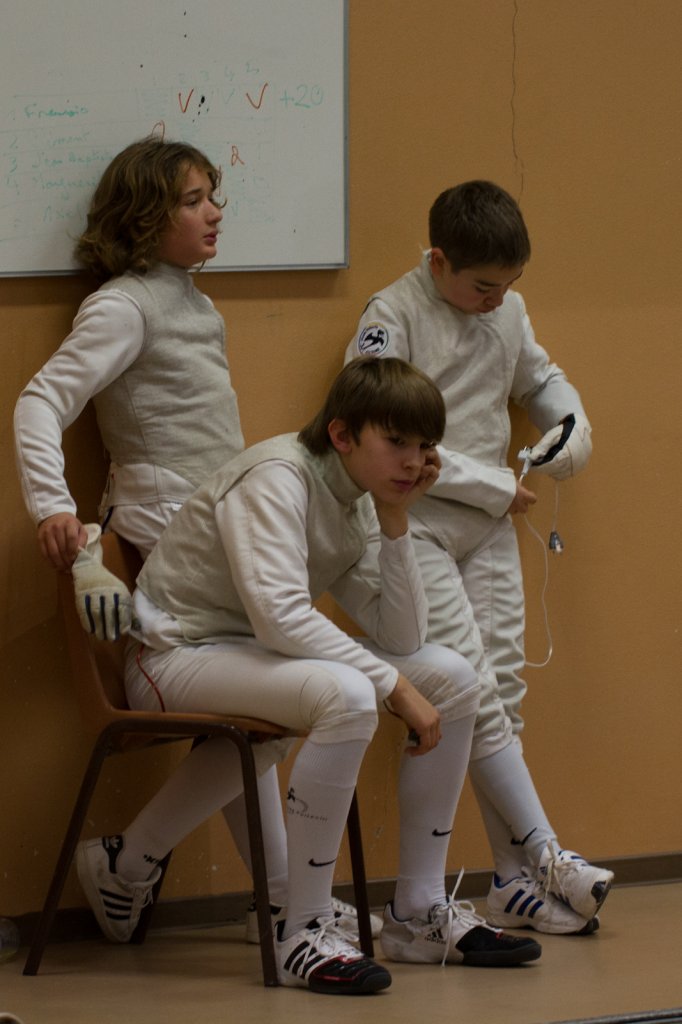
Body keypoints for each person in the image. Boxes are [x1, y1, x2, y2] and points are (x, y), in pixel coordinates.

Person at [74, 358, 542, 993]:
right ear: (342, 434)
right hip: (173, 654)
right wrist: (394, 687)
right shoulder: (277, 477)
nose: (414, 461)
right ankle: (302, 926)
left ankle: (417, 911)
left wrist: (397, 522)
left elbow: (403, 638)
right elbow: (281, 617)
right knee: (346, 693)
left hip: (251, 656)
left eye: (425, 446)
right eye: (396, 442)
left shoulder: (357, 500)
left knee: (452, 674)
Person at [12, 136, 379, 944]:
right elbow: (39, 402)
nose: (214, 212)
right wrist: (53, 509)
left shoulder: (193, 302)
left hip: (218, 533)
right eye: (191, 200)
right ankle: (155, 866)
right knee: (272, 704)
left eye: (214, 195)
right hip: (167, 545)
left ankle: (247, 890)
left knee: (261, 713)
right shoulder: (124, 306)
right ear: (145, 216)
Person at [346, 181, 614, 935]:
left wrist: (570, 427)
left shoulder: (509, 310)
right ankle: (545, 856)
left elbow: (540, 378)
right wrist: (493, 484)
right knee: (473, 691)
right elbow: (378, 425)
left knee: (503, 689)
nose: (496, 301)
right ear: (438, 261)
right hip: (415, 523)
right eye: (482, 287)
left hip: (489, 526)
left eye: (508, 286)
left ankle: (511, 880)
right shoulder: (391, 316)